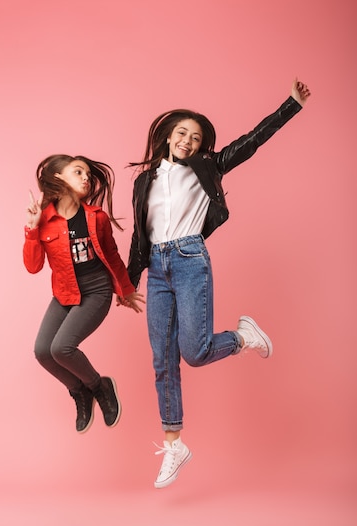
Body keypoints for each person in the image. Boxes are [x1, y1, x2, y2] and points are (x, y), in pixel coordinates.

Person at [126, 78, 311, 488]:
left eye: (195, 137)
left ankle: (243, 337)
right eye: (181, 134)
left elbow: (250, 142)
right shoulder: (144, 181)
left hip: (190, 259)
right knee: (162, 359)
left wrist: (291, 105)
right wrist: (129, 282)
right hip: (157, 268)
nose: (187, 141)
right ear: (166, 136)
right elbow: (140, 236)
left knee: (194, 351)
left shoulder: (206, 167)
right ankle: (174, 443)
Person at [24, 154, 145, 434]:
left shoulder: (96, 217)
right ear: (58, 178)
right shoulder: (44, 220)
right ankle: (80, 391)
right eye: (78, 172)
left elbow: (112, 256)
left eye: (88, 175)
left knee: (61, 347)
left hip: (96, 290)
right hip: (64, 293)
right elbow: (33, 267)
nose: (86, 178)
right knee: (43, 352)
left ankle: (99, 386)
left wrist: (125, 290)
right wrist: (32, 228)